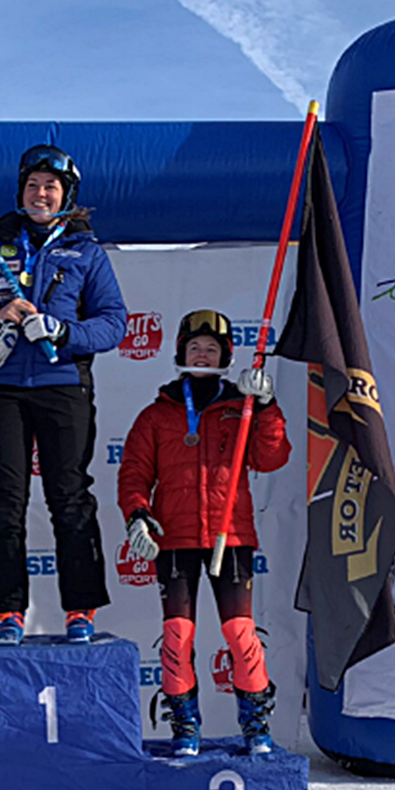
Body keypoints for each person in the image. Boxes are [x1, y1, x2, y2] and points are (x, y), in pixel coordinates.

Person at [0, 144, 128, 645]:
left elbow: (113, 324)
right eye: (33, 185)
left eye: (51, 186)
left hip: (62, 385)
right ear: (21, 191)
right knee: (4, 498)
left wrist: (63, 331)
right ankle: (7, 611)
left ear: (66, 195)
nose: (40, 193)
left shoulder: (87, 252)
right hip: (2, 389)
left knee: (69, 497)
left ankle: (81, 608)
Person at [116, 309, 290, 755]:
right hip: (173, 538)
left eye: (211, 348)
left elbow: (272, 458)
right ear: (179, 352)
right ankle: (185, 724)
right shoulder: (156, 415)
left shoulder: (242, 406)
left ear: (226, 355)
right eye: (195, 347)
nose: (202, 353)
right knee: (177, 634)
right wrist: (137, 515)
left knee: (239, 633)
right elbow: (134, 473)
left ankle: (255, 722)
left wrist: (266, 407)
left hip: (229, 536)